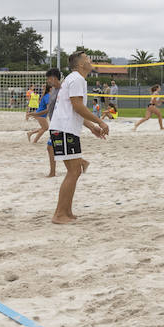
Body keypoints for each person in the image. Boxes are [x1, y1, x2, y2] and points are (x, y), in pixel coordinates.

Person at [48, 52, 109, 224]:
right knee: (73, 171)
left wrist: (92, 128)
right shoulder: (77, 79)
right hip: (64, 129)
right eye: (88, 59)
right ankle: (59, 214)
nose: (90, 61)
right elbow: (77, 106)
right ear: (81, 65)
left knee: (75, 171)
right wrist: (100, 122)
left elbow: (72, 109)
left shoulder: (73, 79)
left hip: (65, 128)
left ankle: (66, 212)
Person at [33, 68, 62, 177]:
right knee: (59, 149)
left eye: (48, 79)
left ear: (54, 78)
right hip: (55, 123)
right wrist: (36, 114)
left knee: (52, 148)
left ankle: (52, 172)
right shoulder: (53, 91)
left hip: (61, 124)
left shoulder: (62, 90)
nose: (47, 81)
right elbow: (49, 109)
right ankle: (83, 163)